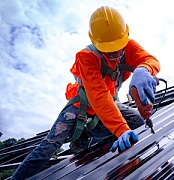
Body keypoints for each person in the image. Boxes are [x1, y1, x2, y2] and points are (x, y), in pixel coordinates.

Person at [11, 6, 160, 179]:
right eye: (109, 49)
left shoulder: (129, 46)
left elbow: (151, 60)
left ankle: (96, 141)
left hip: (109, 104)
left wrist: (144, 69)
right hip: (81, 105)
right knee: (49, 146)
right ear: (96, 42)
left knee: (137, 121)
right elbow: (99, 96)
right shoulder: (87, 57)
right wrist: (121, 129)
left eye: (118, 47)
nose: (115, 53)